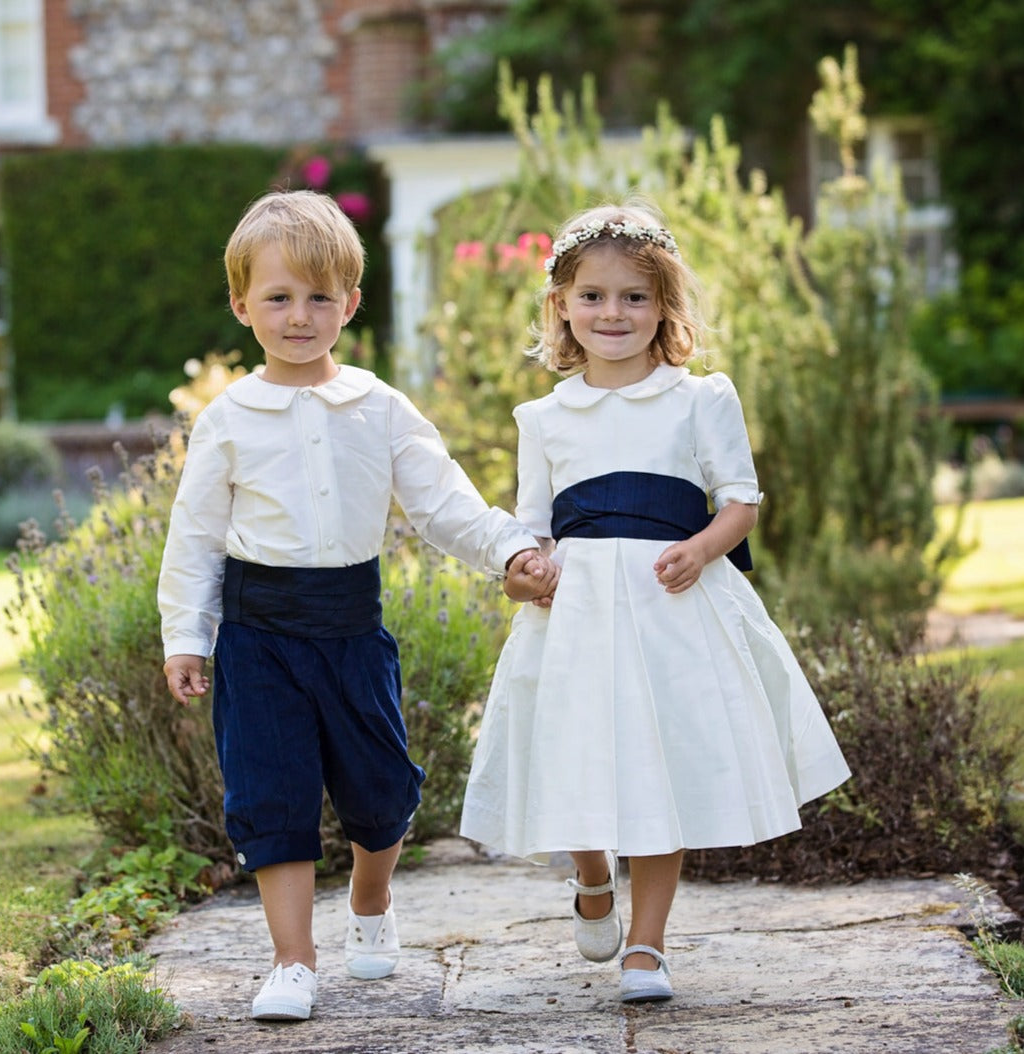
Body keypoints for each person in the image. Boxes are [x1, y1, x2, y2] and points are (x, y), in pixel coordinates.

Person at [158, 190, 557, 1023]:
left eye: (317, 297)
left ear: (351, 303)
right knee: (273, 796)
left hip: (350, 629)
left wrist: (512, 549)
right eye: (277, 297)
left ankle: (370, 905)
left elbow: (446, 505)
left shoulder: (380, 409)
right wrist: (186, 636)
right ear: (241, 305)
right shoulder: (227, 420)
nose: (298, 316)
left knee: (382, 795)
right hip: (257, 635)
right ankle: (293, 963)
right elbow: (194, 537)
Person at [459, 201, 851, 1004]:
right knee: (572, 754)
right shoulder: (544, 418)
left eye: (635, 297)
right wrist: (521, 571)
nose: (614, 313)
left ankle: (648, 943)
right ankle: (593, 876)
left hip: (671, 608)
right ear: (562, 304)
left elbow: (740, 502)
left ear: (665, 306)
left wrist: (703, 549)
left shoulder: (699, 399)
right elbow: (531, 527)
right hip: (575, 617)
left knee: (659, 770)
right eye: (594, 296)